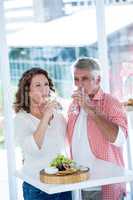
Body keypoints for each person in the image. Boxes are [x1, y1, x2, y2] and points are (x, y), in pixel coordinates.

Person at [67, 57, 128, 200]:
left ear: (98, 80)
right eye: (76, 79)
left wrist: (91, 109)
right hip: (78, 183)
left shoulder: (111, 103)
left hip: (103, 184)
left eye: (85, 79)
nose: (79, 84)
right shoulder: (73, 105)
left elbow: (119, 139)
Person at [14, 67, 72, 200]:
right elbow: (34, 149)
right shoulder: (21, 119)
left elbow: (69, 144)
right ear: (28, 92)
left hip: (62, 184)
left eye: (46, 84)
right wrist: (46, 116)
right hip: (37, 188)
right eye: (38, 85)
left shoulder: (58, 117)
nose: (44, 89)